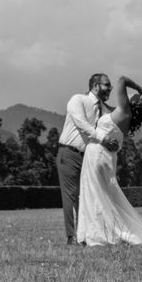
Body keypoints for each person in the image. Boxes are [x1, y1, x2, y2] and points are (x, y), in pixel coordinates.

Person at [76, 76, 142, 246]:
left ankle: (99, 234)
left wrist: (141, 89)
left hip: (97, 155)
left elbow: (121, 80)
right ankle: (103, 231)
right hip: (108, 159)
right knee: (103, 194)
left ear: (134, 102)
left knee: (94, 193)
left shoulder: (124, 110)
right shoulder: (126, 117)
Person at [56, 73, 119, 245]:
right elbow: (81, 123)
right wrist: (104, 139)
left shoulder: (105, 109)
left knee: (86, 196)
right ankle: (72, 237)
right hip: (68, 153)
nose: (110, 88)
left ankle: (85, 234)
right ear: (95, 86)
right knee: (70, 195)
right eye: (107, 85)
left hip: (88, 156)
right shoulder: (77, 100)